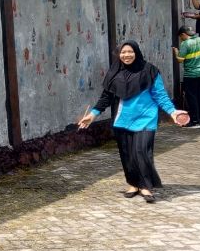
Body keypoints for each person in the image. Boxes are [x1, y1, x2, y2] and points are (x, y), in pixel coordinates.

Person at [78, 41, 189, 203]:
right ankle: (133, 184)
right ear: (119, 55)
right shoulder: (114, 73)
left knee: (142, 152)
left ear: (136, 52)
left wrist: (173, 112)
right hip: (122, 120)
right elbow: (106, 97)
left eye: (130, 51)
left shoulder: (150, 71)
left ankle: (145, 186)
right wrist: (93, 114)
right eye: (123, 52)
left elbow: (160, 95)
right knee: (127, 154)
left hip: (146, 118)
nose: (127, 55)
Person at [173, 25, 200, 128]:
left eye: (180, 37)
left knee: (192, 97)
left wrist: (176, 52)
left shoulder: (186, 43)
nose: (180, 39)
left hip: (191, 75)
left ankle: (194, 121)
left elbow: (180, 60)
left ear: (183, 34)